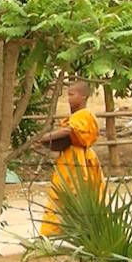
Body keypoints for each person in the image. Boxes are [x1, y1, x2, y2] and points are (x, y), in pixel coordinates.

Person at [39, 80, 105, 237]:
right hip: (67, 160)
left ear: (83, 96)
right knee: (59, 195)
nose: (68, 98)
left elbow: (70, 131)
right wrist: (46, 144)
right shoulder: (74, 116)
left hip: (79, 160)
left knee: (80, 194)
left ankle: (87, 232)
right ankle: (50, 233)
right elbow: (64, 140)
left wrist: (44, 137)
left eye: (71, 95)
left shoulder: (85, 115)